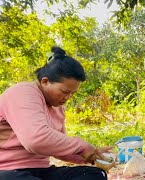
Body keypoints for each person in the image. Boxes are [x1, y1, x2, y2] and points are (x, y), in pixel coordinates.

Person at [0, 47, 112, 180]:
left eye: (72, 93)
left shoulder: (57, 107)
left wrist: (91, 156)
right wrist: (81, 146)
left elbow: (58, 149)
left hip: (41, 170)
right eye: (65, 92)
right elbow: (35, 140)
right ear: (45, 81)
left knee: (95, 175)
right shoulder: (22, 93)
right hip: (8, 170)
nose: (68, 97)